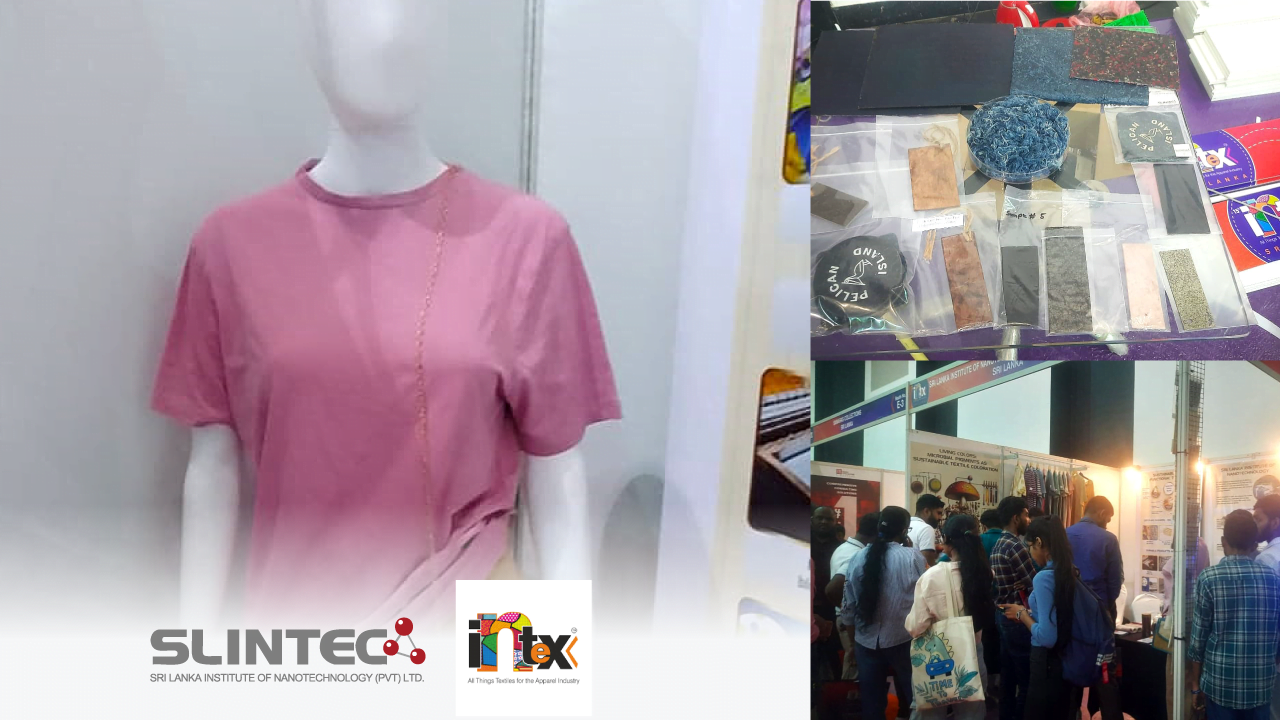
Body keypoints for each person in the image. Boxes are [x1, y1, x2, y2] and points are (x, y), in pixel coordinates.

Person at [1189, 510, 1280, 720]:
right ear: (1254, 545)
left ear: (1223, 541)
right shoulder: (1273, 579)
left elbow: (1198, 641)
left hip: (1220, 683)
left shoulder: (1209, 578)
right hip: (1260, 683)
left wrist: (1195, 685)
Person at [905, 514, 996, 720]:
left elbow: (915, 627)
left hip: (936, 659)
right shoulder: (985, 574)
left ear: (947, 540)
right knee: (972, 715)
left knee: (930, 713)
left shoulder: (931, 577)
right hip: (972, 654)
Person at [842, 507, 925, 720]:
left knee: (872, 706)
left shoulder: (858, 557)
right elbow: (925, 597)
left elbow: (848, 607)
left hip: (865, 641)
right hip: (904, 639)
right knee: (917, 699)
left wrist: (853, 645)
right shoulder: (912, 557)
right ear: (904, 530)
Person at [999, 515, 1084, 720]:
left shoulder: (1044, 577)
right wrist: (1031, 614)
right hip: (1066, 657)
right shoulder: (1070, 571)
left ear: (1039, 542)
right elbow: (1057, 616)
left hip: (1046, 661)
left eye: (1030, 546)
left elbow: (1047, 637)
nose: (1030, 552)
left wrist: (1021, 614)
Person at [1066, 496, 1123, 720]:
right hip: (1099, 617)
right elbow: (1115, 582)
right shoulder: (1108, 539)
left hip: (1070, 616)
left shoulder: (1064, 534)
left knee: (1072, 675)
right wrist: (1105, 608)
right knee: (1106, 677)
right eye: (1108, 518)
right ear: (1101, 513)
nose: (1107, 523)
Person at [990, 496, 1035, 720]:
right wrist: (1026, 583)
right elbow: (1035, 582)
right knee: (1026, 681)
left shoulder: (999, 543)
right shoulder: (1016, 546)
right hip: (1017, 618)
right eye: (1026, 515)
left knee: (1008, 679)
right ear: (1016, 518)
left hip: (1002, 615)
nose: (1029, 519)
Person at [1162, 535, 1212, 720]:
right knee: (1185, 683)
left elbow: (1175, 589)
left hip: (1183, 625)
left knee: (1179, 683)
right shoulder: (1199, 545)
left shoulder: (1192, 547)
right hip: (1187, 623)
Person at [826, 511, 879, 681]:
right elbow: (832, 589)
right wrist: (848, 613)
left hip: (849, 620)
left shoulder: (847, 548)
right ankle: (850, 698)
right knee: (856, 671)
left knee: (858, 669)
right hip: (851, 624)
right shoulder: (856, 554)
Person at [1253, 494, 1280, 720]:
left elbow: (1262, 613)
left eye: (1259, 519)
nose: (1255, 525)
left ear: (1275, 522)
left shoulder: (1267, 560)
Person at [811, 506, 843, 681]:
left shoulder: (841, 548)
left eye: (829, 519)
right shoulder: (802, 543)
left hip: (833, 608)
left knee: (834, 658)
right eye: (820, 518)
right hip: (806, 609)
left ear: (835, 522)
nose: (824, 522)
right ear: (812, 520)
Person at [911, 494, 946, 567]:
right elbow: (928, 566)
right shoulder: (926, 528)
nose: (940, 517)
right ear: (926, 511)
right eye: (938, 513)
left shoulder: (906, 525)